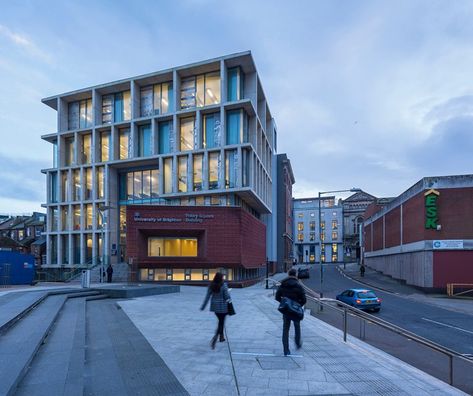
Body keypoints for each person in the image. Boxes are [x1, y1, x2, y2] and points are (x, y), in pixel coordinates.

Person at [275, 268, 307, 356]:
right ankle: (297, 343)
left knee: (285, 329)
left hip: (286, 311)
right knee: (297, 327)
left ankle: (286, 350)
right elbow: (304, 300)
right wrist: (297, 305)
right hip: (295, 311)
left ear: (288, 274)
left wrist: (285, 303)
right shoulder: (298, 285)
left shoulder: (283, 284)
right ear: (295, 275)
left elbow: (277, 297)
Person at [200, 272, 231, 349]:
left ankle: (221, 337)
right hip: (223, 307)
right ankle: (216, 337)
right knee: (221, 322)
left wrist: (203, 306)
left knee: (220, 321)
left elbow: (207, 297)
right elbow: (226, 296)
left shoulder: (211, 285)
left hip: (215, 307)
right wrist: (229, 295)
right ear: (221, 278)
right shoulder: (224, 285)